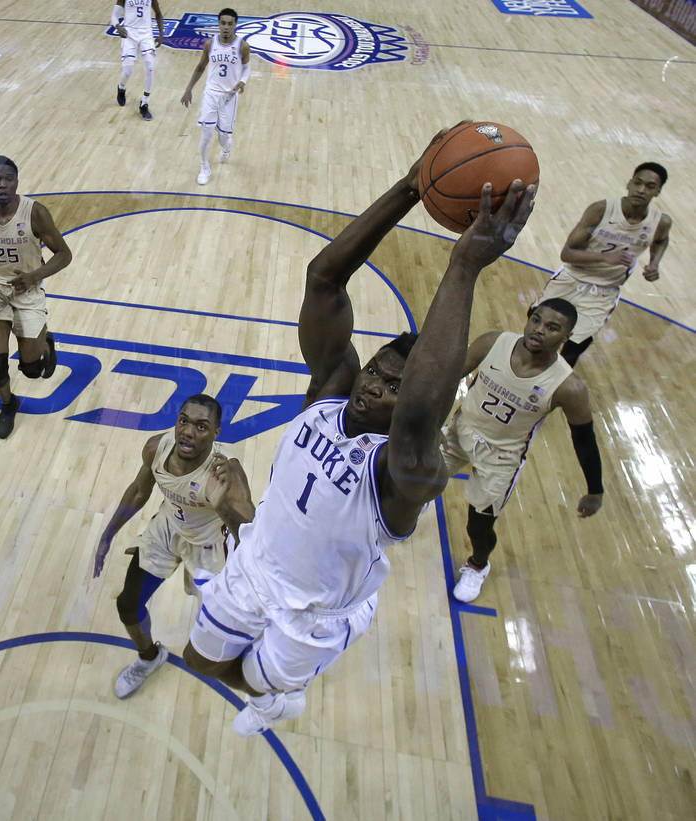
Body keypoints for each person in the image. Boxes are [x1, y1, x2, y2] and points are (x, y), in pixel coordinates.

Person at [181, 127, 537, 737]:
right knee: (199, 662)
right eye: (375, 370)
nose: (373, 384)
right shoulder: (331, 393)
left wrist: (465, 266)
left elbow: (425, 409)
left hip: (315, 614)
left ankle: (279, 695)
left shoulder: (403, 472)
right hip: (254, 568)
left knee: (267, 683)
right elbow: (323, 280)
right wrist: (409, 186)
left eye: (393, 386)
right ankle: (273, 685)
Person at [93, 395, 255, 698]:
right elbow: (140, 490)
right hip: (168, 529)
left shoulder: (226, 472)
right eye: (184, 421)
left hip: (210, 549)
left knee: (219, 628)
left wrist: (224, 505)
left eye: (201, 426)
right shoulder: (158, 447)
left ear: (216, 434)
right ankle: (149, 657)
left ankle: (255, 670)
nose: (188, 432)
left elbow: (252, 532)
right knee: (128, 605)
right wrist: (108, 534)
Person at [443, 298, 604, 603]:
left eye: (552, 328)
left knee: (478, 525)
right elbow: (450, 377)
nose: (539, 330)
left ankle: (478, 564)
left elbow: (584, 439)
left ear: (566, 337)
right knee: (415, 479)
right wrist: (433, 421)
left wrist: (595, 490)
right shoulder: (494, 342)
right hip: (459, 430)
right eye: (536, 320)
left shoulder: (569, 387)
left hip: (501, 458)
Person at [0, 155, 72, 439]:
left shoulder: (35, 213)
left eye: (9, 179)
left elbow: (65, 254)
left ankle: (45, 341)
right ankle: (8, 403)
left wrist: (34, 276)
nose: (3, 185)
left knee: (32, 370)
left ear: (17, 182)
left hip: (27, 290)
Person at [538, 162, 672, 366]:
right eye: (638, 183)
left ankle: (549, 390)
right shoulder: (601, 210)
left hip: (604, 291)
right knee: (540, 337)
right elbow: (567, 253)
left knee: (573, 351)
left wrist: (655, 263)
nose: (641, 190)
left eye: (650, 186)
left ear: (658, 191)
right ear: (629, 183)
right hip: (572, 279)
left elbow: (661, 240)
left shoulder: (660, 221)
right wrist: (605, 258)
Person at [180, 8, 251, 185]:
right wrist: (188, 89)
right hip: (210, 94)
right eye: (223, 23)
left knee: (223, 137)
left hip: (229, 96)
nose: (226, 27)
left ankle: (227, 147)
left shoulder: (242, 46)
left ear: (235, 25)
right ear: (218, 24)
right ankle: (204, 167)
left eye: (230, 23)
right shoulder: (209, 44)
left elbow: (247, 67)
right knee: (206, 134)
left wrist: (242, 80)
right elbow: (200, 67)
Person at [111, 0, 164, 120]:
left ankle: (144, 104)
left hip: (146, 33)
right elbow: (114, 16)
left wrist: (161, 34)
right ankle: (121, 87)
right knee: (128, 70)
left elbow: (158, 14)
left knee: (150, 67)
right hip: (129, 32)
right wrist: (118, 26)